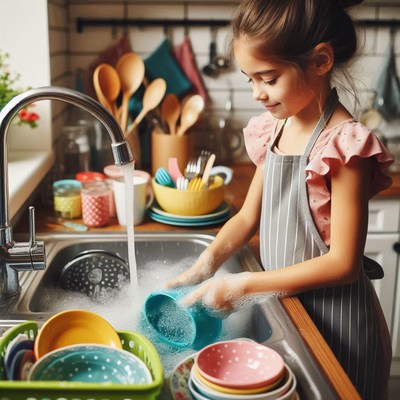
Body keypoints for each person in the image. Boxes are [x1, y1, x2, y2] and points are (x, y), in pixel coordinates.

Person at [166, 0, 393, 398]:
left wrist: (243, 285)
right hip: (288, 313)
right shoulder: (275, 129)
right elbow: (245, 218)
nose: (257, 93)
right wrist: (204, 265)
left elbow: (343, 263)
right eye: (250, 78)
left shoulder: (344, 146)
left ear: (320, 61)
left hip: (337, 325)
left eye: (268, 78)